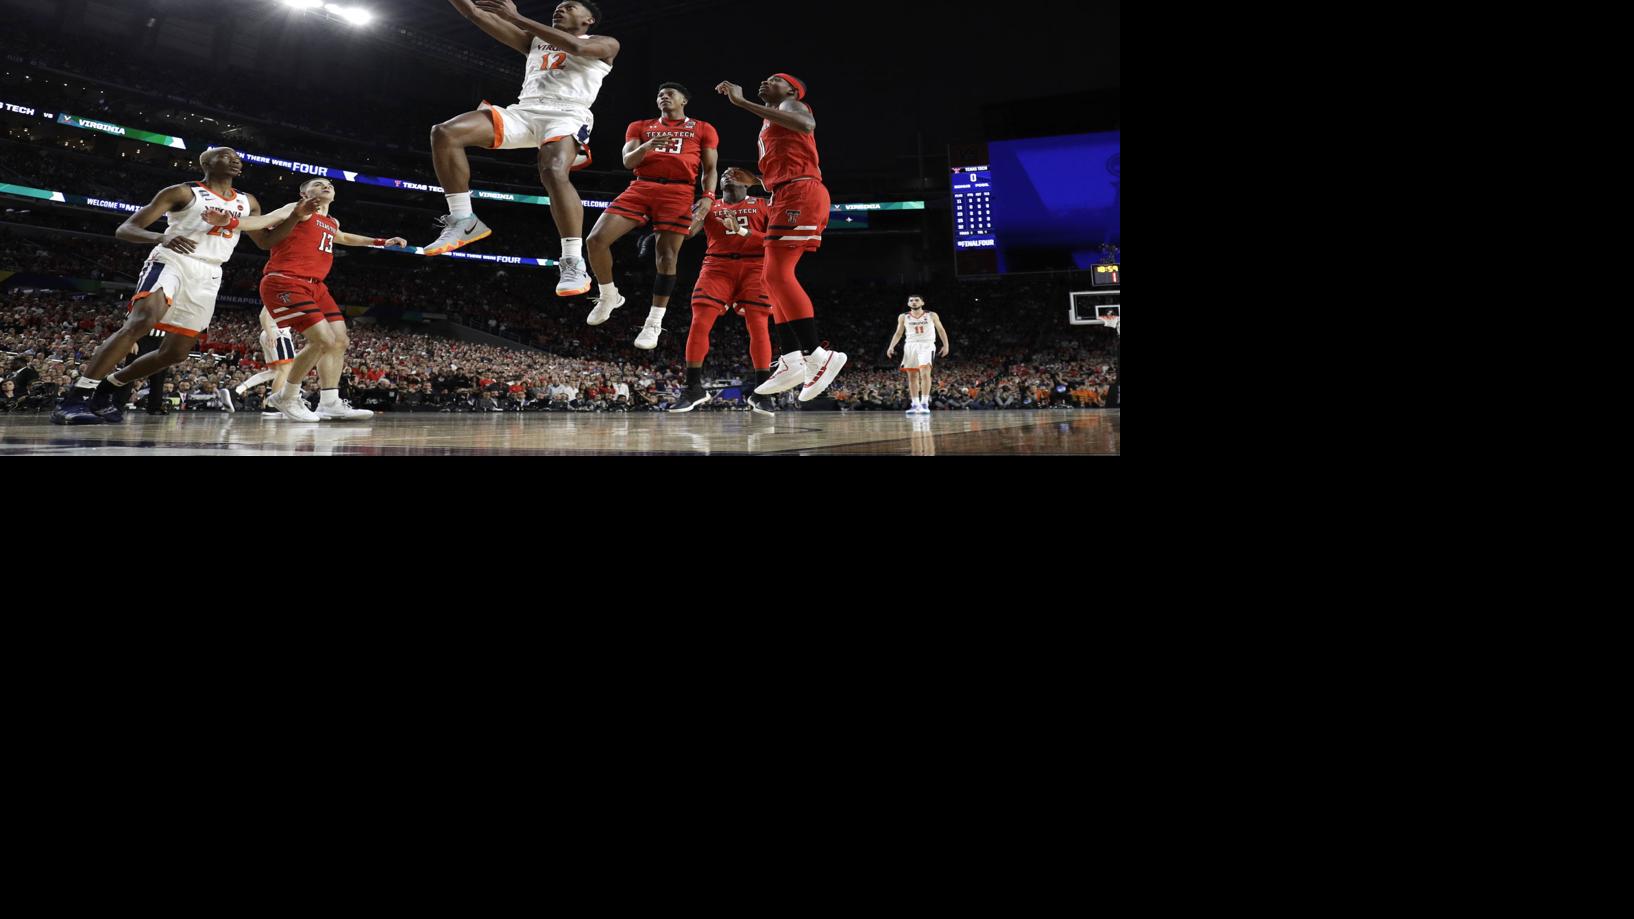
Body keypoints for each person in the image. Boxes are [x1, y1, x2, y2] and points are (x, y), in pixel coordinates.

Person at [51, 146, 311, 425]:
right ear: (207, 163)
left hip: (210, 272)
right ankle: (76, 397)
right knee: (142, 321)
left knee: (176, 352)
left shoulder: (248, 202)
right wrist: (160, 238)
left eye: (237, 157)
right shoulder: (183, 192)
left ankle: (110, 386)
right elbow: (126, 229)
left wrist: (295, 217)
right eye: (226, 156)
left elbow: (266, 242)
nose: (235, 160)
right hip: (172, 259)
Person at [427, 0, 618, 300]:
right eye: (559, 6)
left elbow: (577, 48)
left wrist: (516, 17)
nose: (560, 9)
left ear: (589, 19)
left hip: (567, 113)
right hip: (524, 111)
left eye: (569, 6)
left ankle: (573, 261)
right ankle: (464, 219)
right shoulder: (535, 41)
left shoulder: (605, 43)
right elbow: (474, 12)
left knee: (553, 171)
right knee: (445, 133)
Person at [714, 73, 846, 402]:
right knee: (770, 278)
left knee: (777, 274)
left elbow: (806, 125)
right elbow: (789, 163)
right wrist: (757, 180)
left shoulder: (792, 106)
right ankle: (791, 358)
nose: (765, 81)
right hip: (785, 193)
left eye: (775, 80)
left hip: (801, 193)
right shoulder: (771, 120)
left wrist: (741, 102)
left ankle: (818, 354)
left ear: (791, 91)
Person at [255, 178, 406, 421]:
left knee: (339, 341)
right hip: (287, 280)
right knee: (323, 340)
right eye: (318, 184)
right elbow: (262, 223)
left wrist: (380, 242)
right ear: (304, 193)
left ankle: (329, 402)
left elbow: (344, 237)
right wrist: (235, 221)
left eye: (330, 185)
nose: (326, 186)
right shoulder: (295, 209)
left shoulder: (332, 222)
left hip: (316, 286)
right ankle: (287, 396)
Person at [583, 82, 718, 349]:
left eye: (670, 94)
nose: (664, 97)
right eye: (660, 94)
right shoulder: (640, 126)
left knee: (666, 257)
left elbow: (711, 168)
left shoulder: (703, 128)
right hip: (642, 186)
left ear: (684, 100)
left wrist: (708, 196)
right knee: (595, 240)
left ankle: (654, 322)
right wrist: (647, 146)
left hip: (679, 191)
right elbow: (628, 161)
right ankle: (608, 295)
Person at [670, 170, 774, 414]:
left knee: (758, 325)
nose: (727, 175)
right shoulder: (710, 205)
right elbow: (689, 232)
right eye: (724, 173)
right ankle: (693, 387)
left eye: (735, 173)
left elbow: (774, 240)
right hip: (717, 265)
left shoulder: (763, 204)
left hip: (756, 265)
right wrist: (689, 216)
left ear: (748, 183)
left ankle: (762, 392)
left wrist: (742, 231)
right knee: (699, 321)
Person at [885, 295, 950, 414]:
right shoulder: (903, 316)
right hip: (910, 345)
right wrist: (891, 346)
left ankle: (924, 403)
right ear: (908, 304)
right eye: (911, 300)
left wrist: (946, 345)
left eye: (916, 300)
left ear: (922, 302)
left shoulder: (931, 315)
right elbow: (898, 333)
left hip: (927, 344)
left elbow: (941, 330)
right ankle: (915, 404)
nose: (914, 302)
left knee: (925, 373)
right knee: (912, 376)